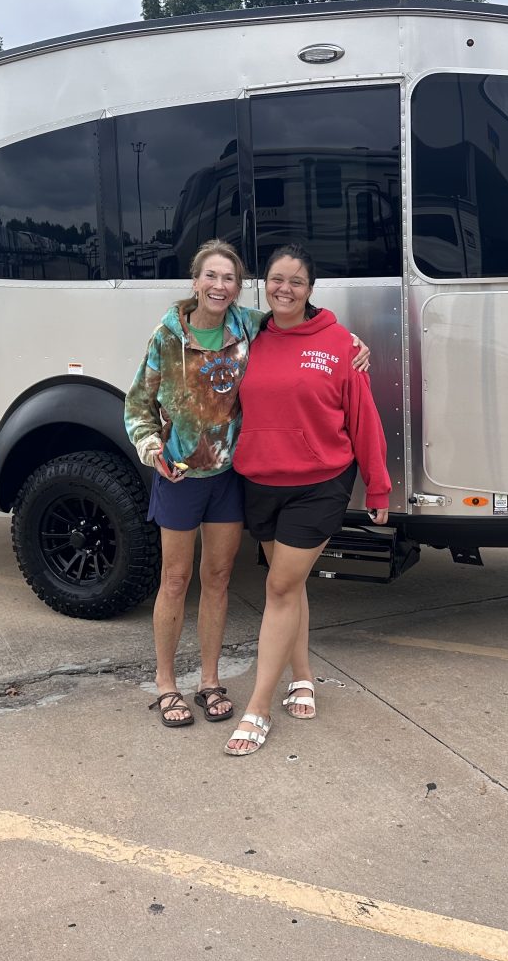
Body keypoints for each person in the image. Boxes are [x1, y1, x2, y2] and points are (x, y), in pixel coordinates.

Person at [124, 240, 370, 729]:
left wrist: (352, 344)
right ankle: (166, 683)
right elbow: (137, 407)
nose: (219, 286)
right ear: (196, 281)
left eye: (229, 278)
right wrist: (153, 451)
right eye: (211, 276)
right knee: (175, 579)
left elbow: (300, 322)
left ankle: (209, 680)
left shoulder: (248, 325)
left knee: (218, 578)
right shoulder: (167, 336)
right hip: (180, 475)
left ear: (239, 287)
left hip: (230, 477)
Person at [224, 244, 391, 756]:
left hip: (320, 483)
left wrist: (378, 484)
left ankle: (257, 707)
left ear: (311, 289)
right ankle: (302, 676)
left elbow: (363, 418)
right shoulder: (247, 337)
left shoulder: (340, 344)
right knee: (289, 587)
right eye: (277, 279)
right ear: (265, 284)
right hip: (260, 482)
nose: (286, 289)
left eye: (297, 281)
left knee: (278, 587)